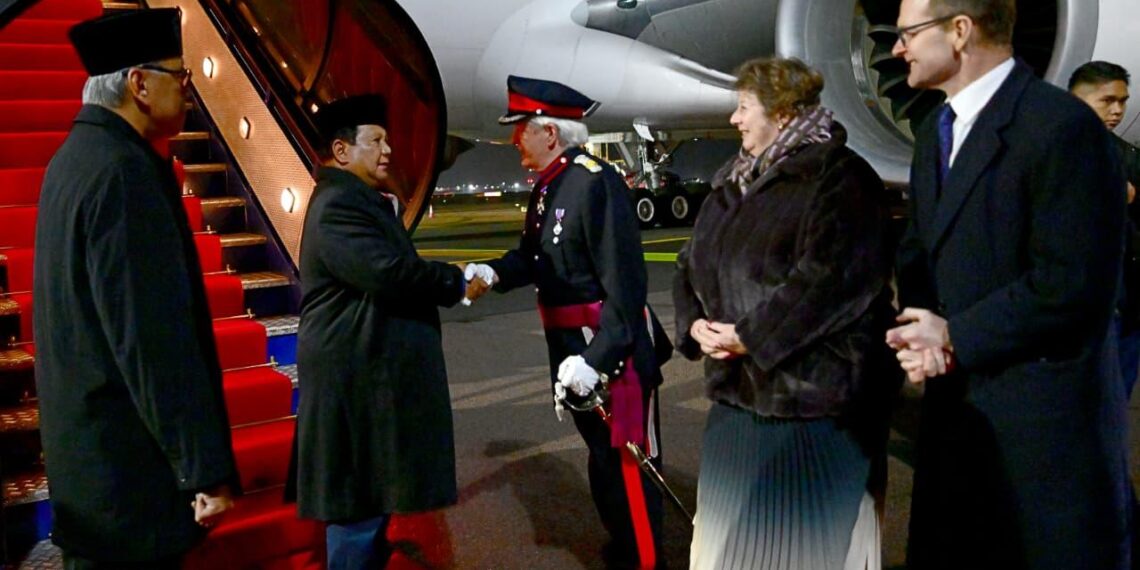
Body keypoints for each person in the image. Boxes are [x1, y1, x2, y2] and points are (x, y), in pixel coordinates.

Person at [888, 0, 1132, 568]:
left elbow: (1073, 284)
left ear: (960, 32)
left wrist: (952, 337)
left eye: (908, 33)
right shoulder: (934, 131)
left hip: (1039, 437)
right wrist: (917, 332)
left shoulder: (1060, 126)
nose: (898, 47)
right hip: (958, 423)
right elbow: (921, 251)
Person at [672, 57, 896, 570]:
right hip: (737, 403)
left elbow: (830, 280)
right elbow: (689, 262)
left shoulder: (840, 178)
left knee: (804, 549)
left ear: (785, 112)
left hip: (812, 408)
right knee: (726, 548)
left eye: (744, 107)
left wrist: (752, 336)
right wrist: (692, 324)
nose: (734, 119)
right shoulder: (732, 179)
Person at [33, 8, 237, 569]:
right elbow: (149, 340)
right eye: (181, 75)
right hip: (131, 478)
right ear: (139, 84)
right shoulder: (124, 173)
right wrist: (202, 467)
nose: (189, 91)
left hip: (91, 473)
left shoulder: (73, 161)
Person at [463, 75, 671, 569]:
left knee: (630, 472)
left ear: (549, 133)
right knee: (603, 463)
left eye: (521, 129)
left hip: (609, 355)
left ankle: (644, 560)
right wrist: (494, 272)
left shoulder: (596, 183)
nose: (514, 139)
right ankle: (622, 548)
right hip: (571, 352)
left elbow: (625, 288)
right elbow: (535, 259)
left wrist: (597, 360)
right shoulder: (550, 186)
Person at [290, 94, 473, 569]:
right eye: (376, 140)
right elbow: (388, 273)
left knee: (366, 507)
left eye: (387, 139)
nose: (388, 149)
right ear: (342, 150)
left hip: (362, 379)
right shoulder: (338, 205)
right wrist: (456, 280)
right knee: (355, 513)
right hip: (352, 386)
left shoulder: (355, 199)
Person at [1069, 60, 1140, 398]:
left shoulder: (1126, 155)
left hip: (1126, 302)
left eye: (1122, 102)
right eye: (1107, 101)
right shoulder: (1051, 152)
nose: (1117, 111)